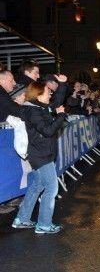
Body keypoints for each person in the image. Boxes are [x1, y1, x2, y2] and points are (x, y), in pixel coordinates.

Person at [11, 81, 66, 234]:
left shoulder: (37, 108)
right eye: (48, 91)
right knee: (51, 187)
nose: (50, 94)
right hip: (40, 155)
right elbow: (48, 131)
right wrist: (60, 116)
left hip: (40, 152)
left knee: (37, 186)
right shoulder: (33, 111)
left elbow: (56, 101)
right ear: (39, 94)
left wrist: (62, 85)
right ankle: (44, 224)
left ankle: (22, 219)